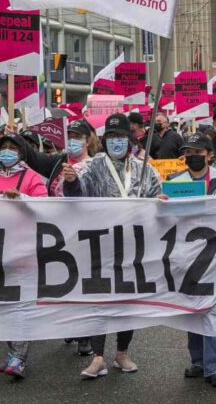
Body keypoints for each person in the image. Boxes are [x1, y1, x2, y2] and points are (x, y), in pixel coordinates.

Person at [64, 113, 162, 378]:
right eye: (110, 138)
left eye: (120, 137)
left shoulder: (145, 169)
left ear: (130, 141)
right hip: (100, 244)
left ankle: (122, 352)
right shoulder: (94, 166)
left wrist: (161, 200)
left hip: (132, 246)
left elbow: (158, 199)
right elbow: (78, 197)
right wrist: (71, 181)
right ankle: (97, 357)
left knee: (126, 300)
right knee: (99, 299)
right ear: (104, 141)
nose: (115, 142)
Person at [0, 133, 47, 379]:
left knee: (21, 304)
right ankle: (13, 351)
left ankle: (19, 357)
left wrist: (23, 199)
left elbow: (47, 209)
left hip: (24, 250)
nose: (7, 151)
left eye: (12, 148)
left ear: (22, 152)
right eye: (3, 147)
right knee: (2, 304)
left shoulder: (33, 178)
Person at [170, 133, 216, 388]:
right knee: (193, 307)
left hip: (214, 250)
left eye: (198, 153)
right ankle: (198, 361)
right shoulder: (175, 181)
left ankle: (215, 366)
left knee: (212, 307)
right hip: (186, 252)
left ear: (209, 155)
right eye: (189, 153)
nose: (193, 157)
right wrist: (162, 203)